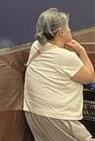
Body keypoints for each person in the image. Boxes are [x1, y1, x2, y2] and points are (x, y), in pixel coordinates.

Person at [24, 8, 95, 140]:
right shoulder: (66, 57)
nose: (70, 31)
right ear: (61, 32)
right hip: (57, 116)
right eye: (68, 28)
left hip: (33, 112)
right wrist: (82, 51)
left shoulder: (36, 46)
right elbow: (90, 78)